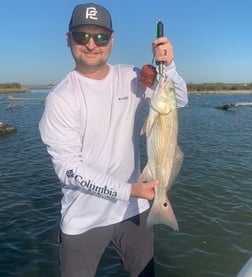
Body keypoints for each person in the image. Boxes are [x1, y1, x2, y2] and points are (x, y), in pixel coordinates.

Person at [39, 3, 188, 277]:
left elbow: (178, 100)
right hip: (84, 219)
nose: (92, 44)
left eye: (101, 37)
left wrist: (170, 67)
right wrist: (130, 190)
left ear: (112, 40)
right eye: (82, 36)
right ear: (68, 38)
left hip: (135, 210)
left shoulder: (133, 77)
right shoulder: (60, 99)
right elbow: (70, 170)